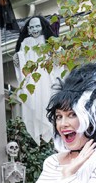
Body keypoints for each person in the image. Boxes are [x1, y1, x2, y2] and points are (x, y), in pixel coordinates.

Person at [13, 15, 61, 145]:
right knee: (34, 98)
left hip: (45, 75)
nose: (35, 29)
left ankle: (47, 127)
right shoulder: (26, 42)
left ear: (42, 27)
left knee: (46, 97)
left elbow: (58, 57)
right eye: (32, 27)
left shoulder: (48, 41)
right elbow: (21, 58)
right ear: (28, 29)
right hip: (32, 78)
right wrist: (17, 58)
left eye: (37, 26)